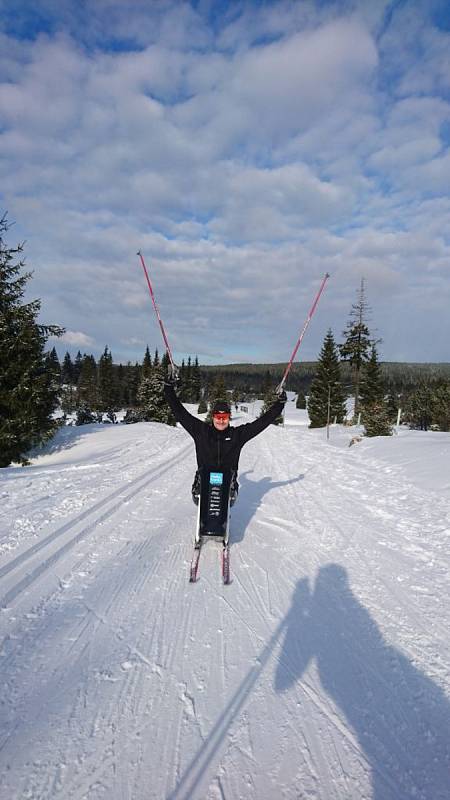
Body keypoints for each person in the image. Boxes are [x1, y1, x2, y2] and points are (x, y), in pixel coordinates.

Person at [164, 380, 287, 505]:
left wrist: (280, 404)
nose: (221, 421)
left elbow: (261, 423)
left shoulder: (237, 435)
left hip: (228, 486)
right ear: (213, 417)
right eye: (218, 417)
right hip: (203, 483)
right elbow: (180, 413)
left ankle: (225, 509)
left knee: (225, 498)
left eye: (225, 418)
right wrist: (168, 388)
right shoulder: (201, 432)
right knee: (204, 495)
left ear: (229, 418)